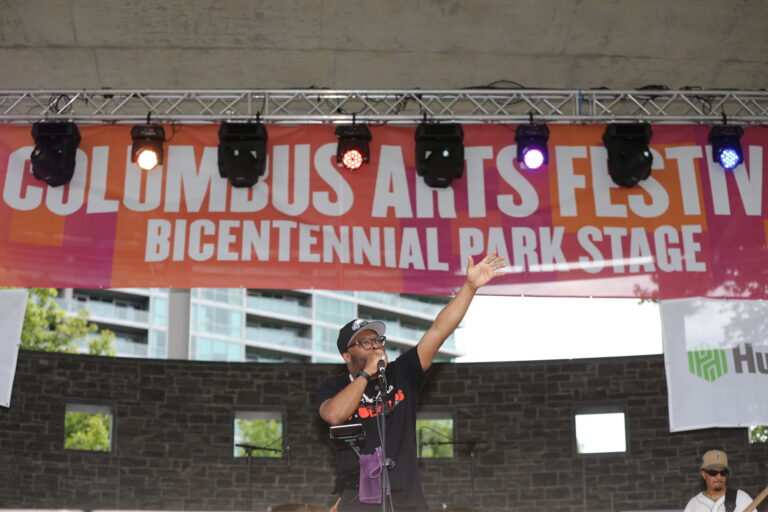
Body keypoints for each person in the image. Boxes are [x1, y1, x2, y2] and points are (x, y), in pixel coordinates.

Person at [316, 252, 506, 511]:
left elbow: (438, 331)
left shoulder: (401, 373)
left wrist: (470, 287)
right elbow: (335, 415)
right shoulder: (335, 387)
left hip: (408, 499)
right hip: (359, 499)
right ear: (347, 355)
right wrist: (365, 375)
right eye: (364, 342)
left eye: (377, 340)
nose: (374, 345)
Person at [684, 450, 753, 512]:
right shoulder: (693, 505)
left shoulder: (742, 498)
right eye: (713, 473)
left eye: (723, 473)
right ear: (704, 474)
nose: (719, 477)